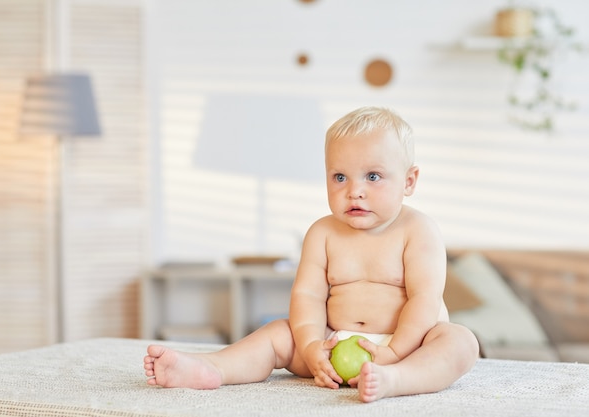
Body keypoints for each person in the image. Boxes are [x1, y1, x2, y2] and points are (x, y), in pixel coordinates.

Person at [143, 106, 479, 402]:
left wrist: (393, 353)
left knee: (459, 342)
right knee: (277, 333)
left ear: (409, 181)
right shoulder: (323, 232)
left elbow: (425, 299)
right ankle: (212, 368)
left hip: (407, 347)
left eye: (373, 176)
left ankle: (397, 381)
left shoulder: (418, 230)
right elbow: (307, 295)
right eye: (339, 177)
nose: (354, 191)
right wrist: (310, 347)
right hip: (333, 343)